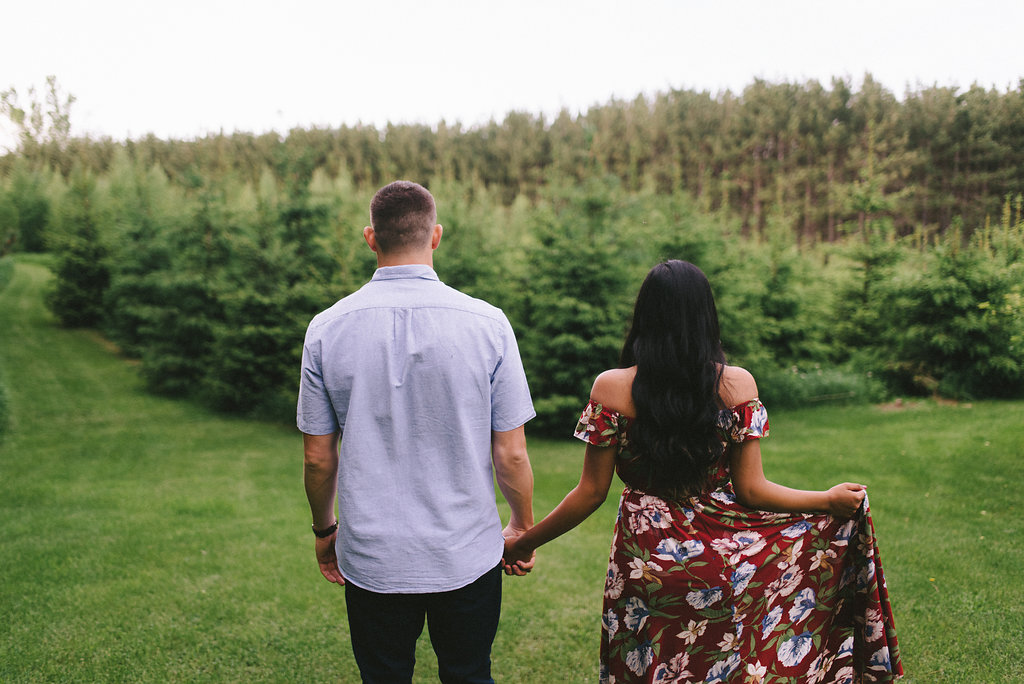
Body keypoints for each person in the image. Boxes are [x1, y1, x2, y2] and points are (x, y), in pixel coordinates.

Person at [503, 260, 903, 683]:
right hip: (724, 562)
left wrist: (521, 544)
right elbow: (753, 490)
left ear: (645, 317)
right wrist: (827, 500)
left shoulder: (611, 388)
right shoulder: (737, 385)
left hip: (646, 565)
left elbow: (590, 493)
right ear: (706, 317)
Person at [298, 180, 537, 684]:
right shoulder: (489, 324)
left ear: (370, 238)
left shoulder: (326, 327)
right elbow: (511, 454)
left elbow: (319, 458)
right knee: (469, 675)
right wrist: (521, 527)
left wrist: (325, 531)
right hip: (466, 551)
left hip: (371, 554)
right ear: (436, 236)